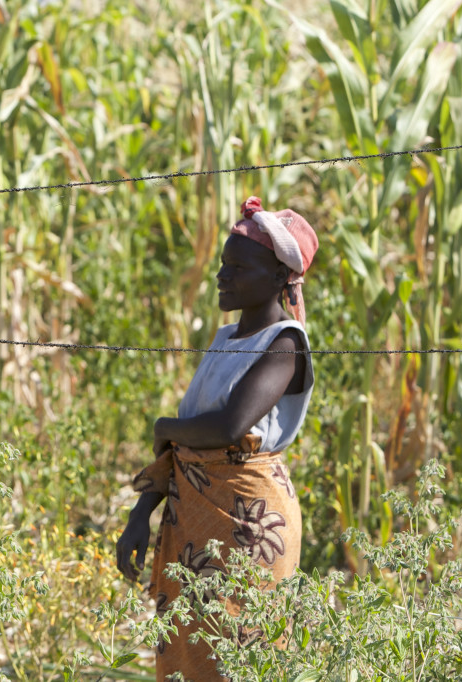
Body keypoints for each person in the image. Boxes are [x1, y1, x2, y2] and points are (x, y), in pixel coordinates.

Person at [116, 197, 318, 681]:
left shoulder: (285, 342)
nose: (222, 276)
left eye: (238, 267)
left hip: (250, 523)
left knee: (238, 652)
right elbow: (188, 449)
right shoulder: (225, 338)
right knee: (189, 647)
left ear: (277, 278)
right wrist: (142, 512)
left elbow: (228, 427)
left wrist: (164, 427)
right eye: (223, 265)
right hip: (192, 521)